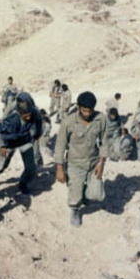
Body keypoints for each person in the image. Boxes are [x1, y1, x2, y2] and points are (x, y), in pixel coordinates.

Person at [54, 91, 108, 227]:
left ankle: (84, 191)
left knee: (97, 195)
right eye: (84, 110)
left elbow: (105, 142)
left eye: (90, 111)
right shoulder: (68, 122)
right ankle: (75, 210)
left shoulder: (101, 119)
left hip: (93, 163)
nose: (87, 114)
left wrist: (101, 164)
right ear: (78, 107)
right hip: (75, 164)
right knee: (75, 196)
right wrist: (59, 169)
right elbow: (60, 146)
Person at [0, 92, 43, 195]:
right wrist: (1, 145)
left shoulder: (35, 112)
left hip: (24, 140)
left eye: (30, 115)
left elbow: (39, 123)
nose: (28, 118)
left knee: (31, 167)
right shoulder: (12, 116)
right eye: (25, 116)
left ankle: (23, 184)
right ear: (19, 112)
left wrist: (36, 135)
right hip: (9, 141)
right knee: (2, 163)